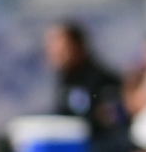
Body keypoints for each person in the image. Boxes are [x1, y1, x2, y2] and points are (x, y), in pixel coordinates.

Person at [45, 22, 127, 152]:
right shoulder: (65, 81)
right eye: (52, 50)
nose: (56, 55)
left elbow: (113, 128)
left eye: (62, 50)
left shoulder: (102, 82)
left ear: (78, 46)